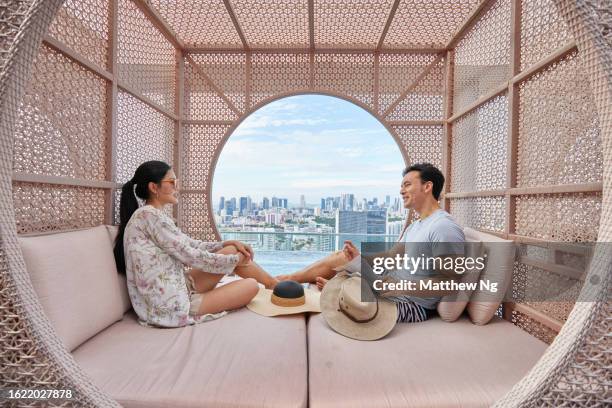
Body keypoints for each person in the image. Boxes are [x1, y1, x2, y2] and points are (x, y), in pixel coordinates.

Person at [278, 162, 465, 323]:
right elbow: (392, 256)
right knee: (342, 257)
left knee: (353, 301)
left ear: (427, 187)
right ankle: (287, 280)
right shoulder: (417, 226)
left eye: (407, 185)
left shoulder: (443, 227)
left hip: (410, 303)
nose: (401, 191)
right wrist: (358, 259)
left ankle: (344, 293)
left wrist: (389, 287)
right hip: (390, 283)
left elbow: (448, 282)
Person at [113, 160, 279, 328]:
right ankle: (274, 285)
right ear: (154, 187)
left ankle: (273, 284)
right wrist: (234, 262)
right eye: (171, 182)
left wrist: (226, 244)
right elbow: (189, 256)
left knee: (231, 249)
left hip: (176, 286)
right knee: (251, 285)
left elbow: (190, 244)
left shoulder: (152, 215)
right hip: (169, 307)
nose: (176, 187)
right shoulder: (148, 216)